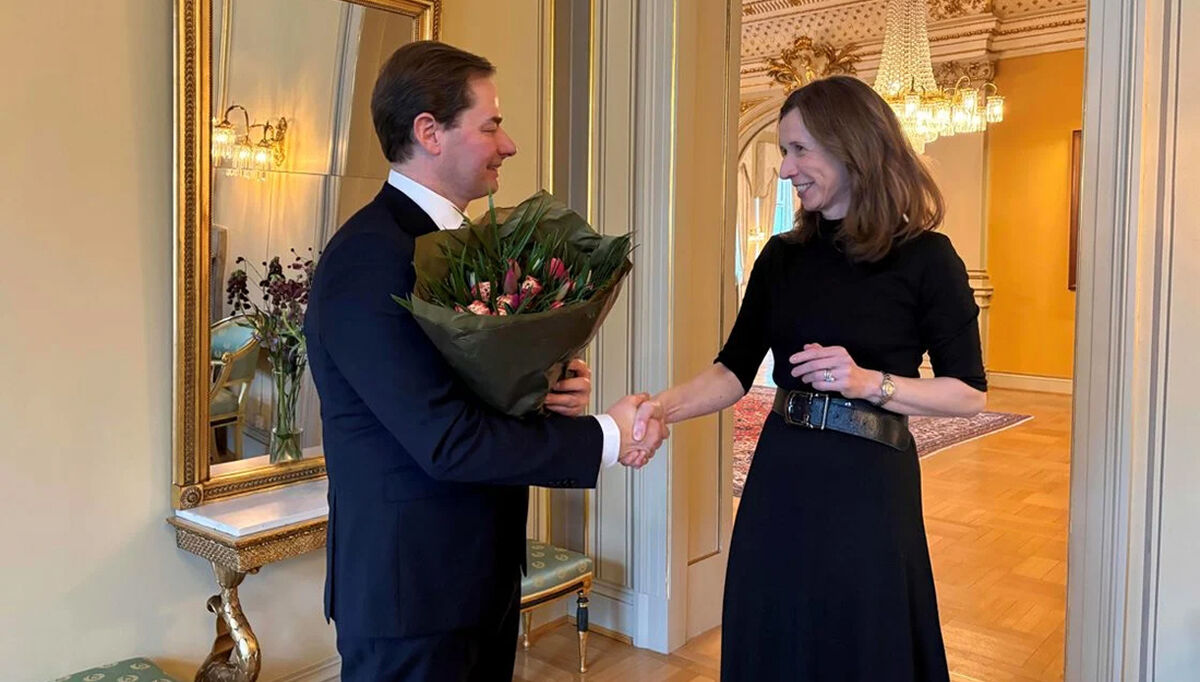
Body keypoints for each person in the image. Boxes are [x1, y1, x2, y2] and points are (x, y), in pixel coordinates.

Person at [304, 40, 668, 681]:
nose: (509, 145)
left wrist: (540, 389)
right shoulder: (368, 258)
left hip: (475, 579)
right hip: (412, 600)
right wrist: (605, 437)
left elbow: (457, 393)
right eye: (491, 125)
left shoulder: (448, 246)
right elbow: (444, 440)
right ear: (429, 133)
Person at [632, 74, 987, 680]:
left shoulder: (927, 258)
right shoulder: (781, 257)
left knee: (858, 635)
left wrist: (869, 382)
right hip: (783, 472)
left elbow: (968, 393)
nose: (785, 168)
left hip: (869, 480)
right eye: (783, 150)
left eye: (799, 150)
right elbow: (732, 371)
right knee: (776, 623)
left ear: (852, 147)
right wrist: (659, 408)